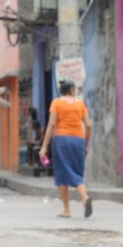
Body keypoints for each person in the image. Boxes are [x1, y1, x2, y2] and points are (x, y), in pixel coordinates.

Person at [39, 81, 93, 219]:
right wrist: (86, 144)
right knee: (77, 172)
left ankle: (67, 209)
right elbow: (88, 125)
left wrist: (44, 146)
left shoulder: (56, 103)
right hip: (78, 140)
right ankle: (85, 197)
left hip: (62, 140)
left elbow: (51, 125)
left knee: (62, 173)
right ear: (70, 90)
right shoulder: (80, 104)